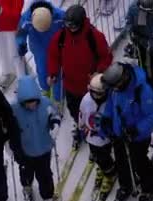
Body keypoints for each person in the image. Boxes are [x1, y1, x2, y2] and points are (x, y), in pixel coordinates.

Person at [47, 5, 113, 148]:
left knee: (94, 112)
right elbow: (53, 56)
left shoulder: (94, 36)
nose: (70, 28)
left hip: (91, 88)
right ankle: (81, 126)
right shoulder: (61, 37)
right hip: (71, 86)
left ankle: (100, 134)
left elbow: (106, 56)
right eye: (68, 25)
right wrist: (52, 73)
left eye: (74, 25)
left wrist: (99, 71)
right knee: (75, 110)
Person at [99, 62, 153, 201]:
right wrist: (107, 119)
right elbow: (110, 105)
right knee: (121, 160)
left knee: (139, 160)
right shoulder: (115, 89)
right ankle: (126, 185)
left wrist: (137, 129)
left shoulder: (142, 90)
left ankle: (149, 186)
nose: (112, 89)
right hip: (120, 132)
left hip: (138, 136)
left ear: (121, 80)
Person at [9, 75, 62, 201]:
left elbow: (55, 115)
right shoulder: (14, 109)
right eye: (28, 103)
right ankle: (27, 188)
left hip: (44, 149)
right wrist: (11, 147)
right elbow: (7, 126)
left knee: (45, 176)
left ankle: (48, 198)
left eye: (33, 102)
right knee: (26, 173)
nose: (31, 105)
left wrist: (55, 124)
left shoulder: (46, 103)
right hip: (25, 152)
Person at [16, 1, 65, 103]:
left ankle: (58, 97)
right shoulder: (26, 19)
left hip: (57, 49)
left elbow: (68, 29)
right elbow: (21, 33)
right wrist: (21, 43)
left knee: (57, 73)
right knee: (42, 70)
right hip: (39, 49)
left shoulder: (60, 16)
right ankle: (45, 90)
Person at [79, 74, 117, 198]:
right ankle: (103, 168)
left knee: (104, 156)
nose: (97, 96)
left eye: (100, 93)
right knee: (95, 153)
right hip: (91, 135)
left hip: (105, 136)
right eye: (94, 92)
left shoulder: (111, 100)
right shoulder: (86, 100)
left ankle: (110, 174)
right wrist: (81, 127)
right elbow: (82, 114)